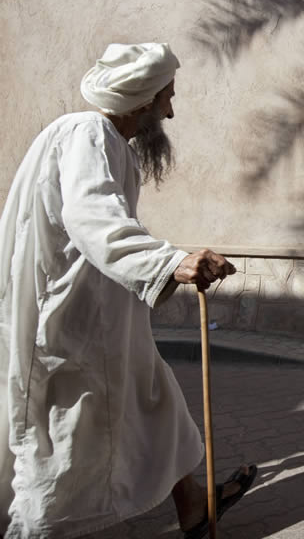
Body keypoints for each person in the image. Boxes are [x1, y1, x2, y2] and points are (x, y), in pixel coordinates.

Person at [0, 43, 255, 538]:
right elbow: (90, 216)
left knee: (162, 407)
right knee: (62, 449)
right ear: (141, 101)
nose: (171, 111)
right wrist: (172, 262)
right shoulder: (87, 133)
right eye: (167, 100)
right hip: (72, 329)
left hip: (111, 323)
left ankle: (195, 509)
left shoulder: (108, 144)